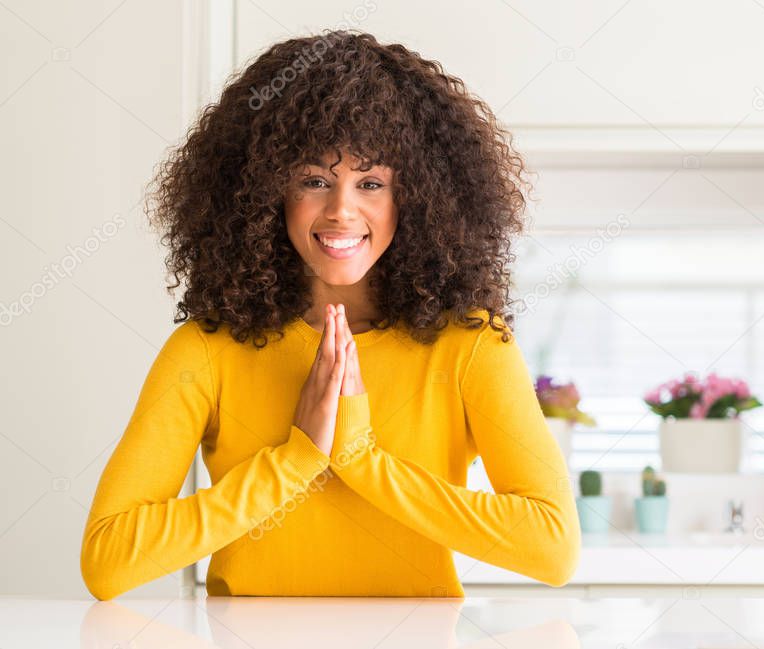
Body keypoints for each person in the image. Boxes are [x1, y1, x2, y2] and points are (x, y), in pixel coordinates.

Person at [80, 29, 580, 600]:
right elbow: (108, 562)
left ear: (414, 199)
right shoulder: (207, 348)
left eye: (371, 183)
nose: (342, 211)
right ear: (266, 193)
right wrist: (297, 460)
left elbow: (553, 548)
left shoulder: (469, 347)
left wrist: (360, 461)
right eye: (314, 180)